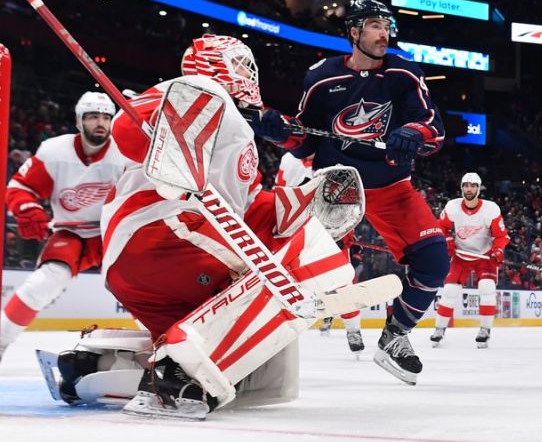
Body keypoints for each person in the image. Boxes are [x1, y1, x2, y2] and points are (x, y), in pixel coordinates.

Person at [97, 34, 357, 418]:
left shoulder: (235, 131)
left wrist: (305, 202)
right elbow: (127, 131)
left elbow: (248, 210)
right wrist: (170, 139)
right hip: (162, 234)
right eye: (240, 65)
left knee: (222, 359)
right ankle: (170, 378)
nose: (248, 75)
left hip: (153, 265)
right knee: (307, 259)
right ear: (215, 67)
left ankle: (100, 366)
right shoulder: (200, 90)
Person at [251, 0, 447, 385]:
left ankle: (395, 337)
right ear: (354, 32)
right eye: (375, 25)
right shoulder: (322, 77)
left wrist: (413, 134)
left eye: (387, 26)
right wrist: (282, 133)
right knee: (285, 266)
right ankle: (250, 342)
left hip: (391, 186)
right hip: (335, 190)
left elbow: (432, 126)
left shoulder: (403, 73)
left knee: (435, 261)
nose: (384, 34)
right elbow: (305, 139)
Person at [1, 92, 129, 362]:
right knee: (40, 285)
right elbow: (20, 187)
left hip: (116, 231)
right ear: (79, 121)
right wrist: (28, 208)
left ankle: (167, 351)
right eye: (92, 116)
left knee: (143, 285)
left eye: (106, 117)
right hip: (72, 234)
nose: (100, 123)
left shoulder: (125, 152)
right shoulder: (54, 151)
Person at [275, 151, 366, 354]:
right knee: (290, 281)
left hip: (332, 232)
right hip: (299, 231)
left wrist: (347, 231)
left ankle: (353, 330)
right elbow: (281, 196)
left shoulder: (336, 158)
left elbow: (348, 202)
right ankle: (281, 333)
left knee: (344, 283)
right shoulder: (289, 161)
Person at [431, 172, 510, 348]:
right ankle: (439, 328)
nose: (469, 189)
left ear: (478, 188)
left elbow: (501, 236)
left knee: (486, 288)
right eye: (466, 185)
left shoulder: (491, 209)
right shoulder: (452, 207)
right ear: (461, 188)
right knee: (449, 290)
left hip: (485, 255)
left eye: (473, 186)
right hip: (461, 255)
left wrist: (498, 250)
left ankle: (485, 329)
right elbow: (440, 228)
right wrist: (448, 241)